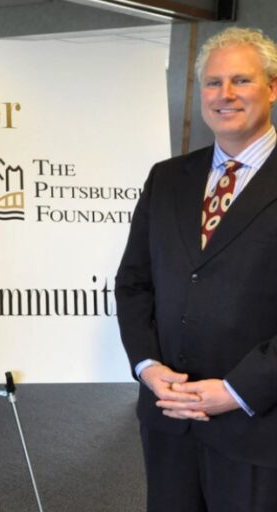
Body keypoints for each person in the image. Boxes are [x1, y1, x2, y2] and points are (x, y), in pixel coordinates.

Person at [116, 26, 277, 512]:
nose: (224, 95)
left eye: (241, 81)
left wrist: (237, 390)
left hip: (259, 426)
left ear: (272, 88)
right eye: (212, 82)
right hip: (168, 421)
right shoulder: (166, 179)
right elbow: (134, 284)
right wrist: (147, 367)